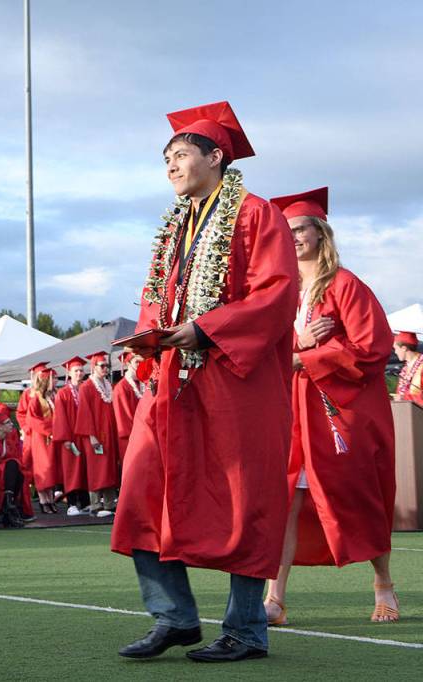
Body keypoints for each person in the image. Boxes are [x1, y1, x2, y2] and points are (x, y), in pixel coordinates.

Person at [112, 101, 298, 662]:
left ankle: (246, 631)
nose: (169, 164)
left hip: (236, 383)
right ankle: (174, 618)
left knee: (245, 502)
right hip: (171, 386)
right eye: (165, 157)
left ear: (216, 157)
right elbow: (154, 302)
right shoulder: (174, 228)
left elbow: (277, 293)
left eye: (181, 153)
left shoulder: (255, 215)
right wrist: (146, 348)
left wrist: (207, 329)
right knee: (143, 494)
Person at [262, 187, 397, 625]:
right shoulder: (280, 291)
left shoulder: (345, 285)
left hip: (339, 411)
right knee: (287, 500)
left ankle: (383, 584)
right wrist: (297, 346)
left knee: (359, 496)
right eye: (286, 231)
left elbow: (373, 349)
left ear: (320, 233)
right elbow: (263, 349)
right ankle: (275, 599)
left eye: (300, 229)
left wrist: (308, 357)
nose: (293, 237)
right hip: (291, 412)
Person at [75, 352, 118, 514]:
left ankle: (108, 502)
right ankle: (95, 503)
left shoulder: (109, 386)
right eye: (102, 366)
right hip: (95, 434)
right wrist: (92, 436)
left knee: (109, 467)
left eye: (107, 366)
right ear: (94, 367)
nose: (106, 368)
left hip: (108, 433)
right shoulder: (87, 387)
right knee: (96, 468)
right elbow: (85, 413)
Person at [52, 357, 89, 516]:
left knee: (84, 469)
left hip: (84, 436)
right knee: (71, 470)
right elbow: (60, 417)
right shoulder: (63, 393)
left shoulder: (86, 389)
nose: (79, 373)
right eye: (76, 371)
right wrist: (65, 438)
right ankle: (72, 503)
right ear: (69, 372)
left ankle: (85, 502)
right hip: (70, 437)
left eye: (81, 370)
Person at [27, 367, 60, 513]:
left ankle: (50, 498)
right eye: (54, 379)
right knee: (43, 467)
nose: (56, 382)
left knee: (51, 466)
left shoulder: (51, 396)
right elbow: (31, 419)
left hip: (52, 436)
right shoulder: (36, 398)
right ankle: (43, 499)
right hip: (41, 438)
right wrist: (49, 430)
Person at [111, 352, 148, 467]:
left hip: (144, 434)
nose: (140, 364)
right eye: (137, 362)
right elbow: (124, 417)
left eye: (141, 362)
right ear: (127, 364)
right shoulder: (121, 387)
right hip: (130, 436)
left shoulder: (142, 384)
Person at [394, 332, 423, 406]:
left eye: (396, 348)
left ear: (404, 348)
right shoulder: (405, 369)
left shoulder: (421, 366)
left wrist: (405, 398)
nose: (395, 352)